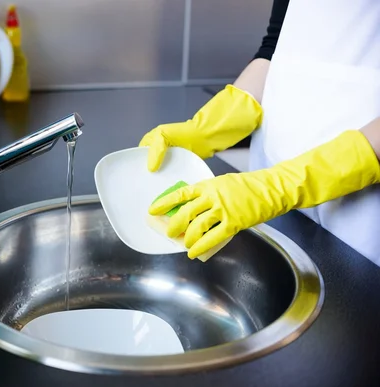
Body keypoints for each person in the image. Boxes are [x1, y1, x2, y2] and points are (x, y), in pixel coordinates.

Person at [139, 0, 380, 266]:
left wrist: (280, 186)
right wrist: (208, 126)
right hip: (264, 187)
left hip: (359, 214)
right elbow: (275, 47)